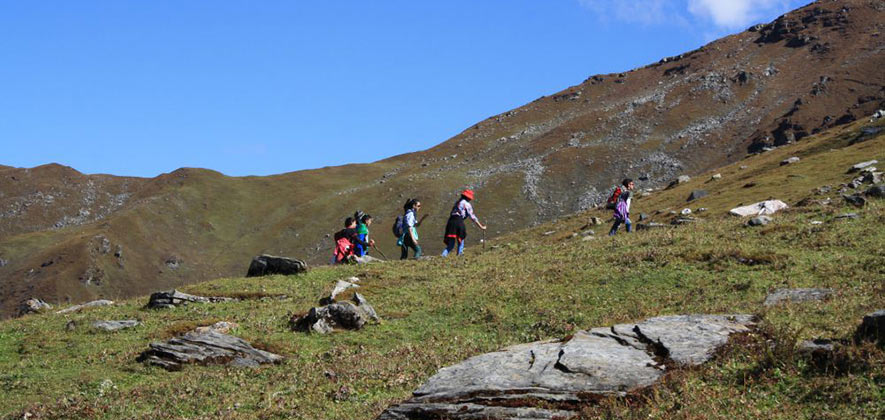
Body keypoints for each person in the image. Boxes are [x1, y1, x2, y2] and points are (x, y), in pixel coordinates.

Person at [442, 189, 486, 257]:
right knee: (461, 239)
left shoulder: (457, 203)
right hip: (458, 222)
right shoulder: (466, 204)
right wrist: (481, 226)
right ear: (468, 198)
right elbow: (472, 217)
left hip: (450, 222)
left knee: (451, 244)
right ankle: (459, 254)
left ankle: (443, 255)